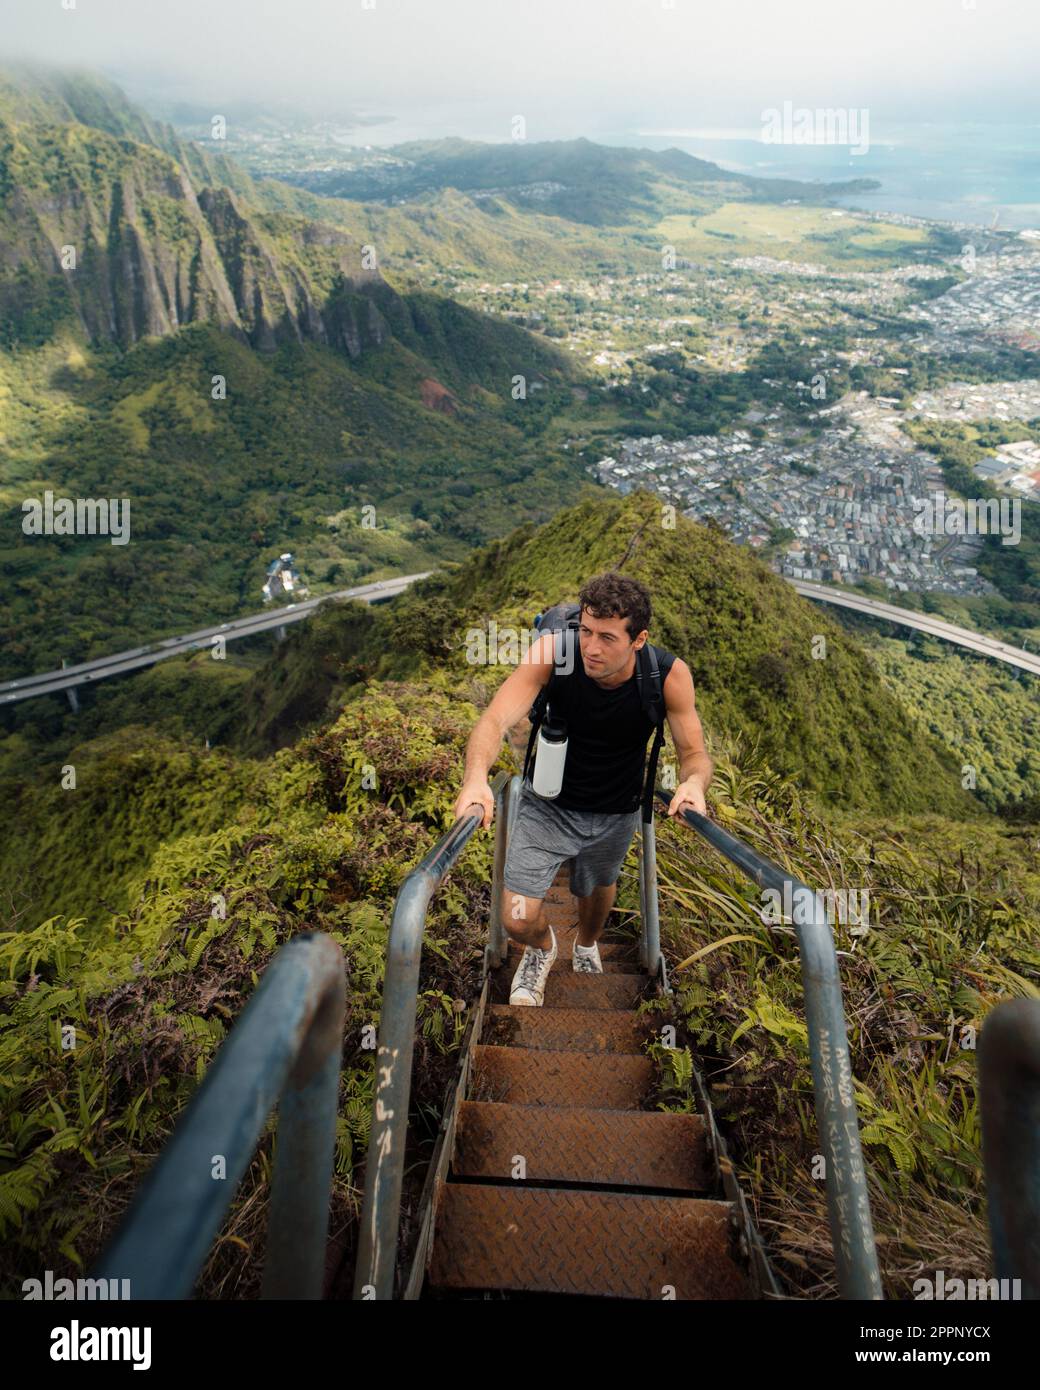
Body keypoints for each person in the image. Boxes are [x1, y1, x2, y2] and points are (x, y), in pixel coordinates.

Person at [452, 571, 713, 1006]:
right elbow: (495, 719)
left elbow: (695, 753)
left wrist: (693, 784)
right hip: (548, 805)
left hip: (617, 810)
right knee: (517, 918)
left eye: (608, 638)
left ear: (638, 639)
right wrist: (476, 778)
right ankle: (541, 949)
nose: (591, 648)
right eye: (586, 631)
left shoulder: (666, 675)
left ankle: (587, 943)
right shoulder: (555, 652)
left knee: (595, 889)